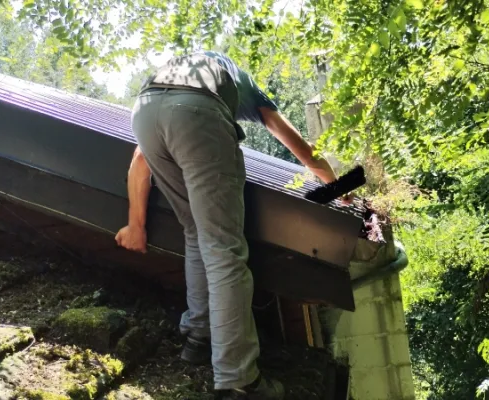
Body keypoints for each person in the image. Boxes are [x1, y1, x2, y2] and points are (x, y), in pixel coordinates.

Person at [114, 50, 350, 400]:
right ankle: (239, 379)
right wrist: (339, 186)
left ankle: (199, 335)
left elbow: (139, 158)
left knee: (197, 231)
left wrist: (136, 225)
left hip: (144, 112)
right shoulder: (243, 82)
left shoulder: (185, 68)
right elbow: (295, 143)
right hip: (197, 117)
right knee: (224, 250)